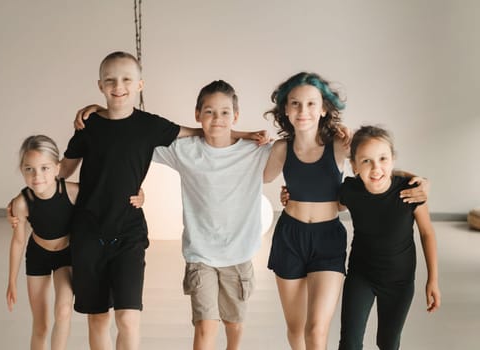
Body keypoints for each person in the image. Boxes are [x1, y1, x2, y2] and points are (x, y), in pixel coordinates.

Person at [263, 72, 428, 350]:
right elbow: (261, 178)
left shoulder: (340, 144)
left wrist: (420, 180)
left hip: (328, 239)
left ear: (324, 108)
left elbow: (375, 166)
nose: (303, 111)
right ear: (285, 110)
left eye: (312, 103)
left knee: (316, 329)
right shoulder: (281, 148)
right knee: (296, 329)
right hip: (289, 237)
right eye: (295, 103)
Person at [58, 51, 210, 350]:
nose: (119, 86)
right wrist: (29, 193)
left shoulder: (150, 125)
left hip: (129, 231)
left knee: (128, 318)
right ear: (100, 85)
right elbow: (62, 171)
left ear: (140, 84)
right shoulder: (88, 125)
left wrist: (245, 136)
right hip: (88, 231)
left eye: (127, 79)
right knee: (98, 319)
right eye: (111, 80)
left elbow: (201, 132)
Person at [151, 80, 271, 350]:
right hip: (200, 254)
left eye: (225, 112)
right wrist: (103, 111)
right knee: (205, 325)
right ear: (197, 115)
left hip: (238, 255)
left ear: (235, 116)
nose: (217, 118)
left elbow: (293, 152)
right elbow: (143, 137)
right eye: (209, 111)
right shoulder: (185, 150)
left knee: (234, 325)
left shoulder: (254, 150)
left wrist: (247, 135)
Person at [337, 125, 440, 350]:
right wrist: (290, 196)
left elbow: (427, 232)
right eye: (366, 161)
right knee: (349, 343)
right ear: (354, 166)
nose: (376, 168)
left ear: (392, 160)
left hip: (399, 282)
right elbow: (326, 203)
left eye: (383, 158)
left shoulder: (411, 191)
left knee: (387, 342)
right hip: (360, 275)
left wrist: (432, 279)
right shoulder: (350, 191)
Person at [7, 135, 76, 350]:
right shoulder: (21, 203)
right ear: (22, 170)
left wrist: (139, 195)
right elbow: (18, 242)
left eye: (44, 168)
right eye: (30, 169)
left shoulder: (73, 192)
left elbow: (106, 198)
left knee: (63, 312)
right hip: (38, 256)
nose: (37, 176)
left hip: (66, 255)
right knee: (41, 325)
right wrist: (11, 280)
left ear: (57, 168)